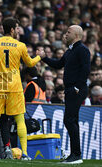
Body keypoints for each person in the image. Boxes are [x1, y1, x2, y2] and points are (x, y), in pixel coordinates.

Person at [0, 18, 45, 160]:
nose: (18, 31)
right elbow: (29, 63)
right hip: (15, 87)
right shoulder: (20, 45)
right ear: (11, 30)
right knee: (20, 120)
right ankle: (26, 154)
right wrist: (40, 56)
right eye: (17, 28)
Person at [40, 25, 90, 164]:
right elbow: (58, 64)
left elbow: (86, 70)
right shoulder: (70, 51)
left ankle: (76, 154)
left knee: (69, 120)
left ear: (77, 35)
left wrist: (77, 87)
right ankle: (75, 154)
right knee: (71, 120)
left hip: (76, 89)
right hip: (70, 89)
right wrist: (44, 58)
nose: (66, 34)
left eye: (69, 32)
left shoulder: (82, 50)